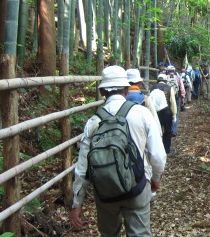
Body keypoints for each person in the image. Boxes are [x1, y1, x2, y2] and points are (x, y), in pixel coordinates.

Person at [70, 65, 167, 237]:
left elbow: (82, 168)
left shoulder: (93, 122)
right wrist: (156, 178)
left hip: (105, 191)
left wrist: (77, 203)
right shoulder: (142, 113)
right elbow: (158, 154)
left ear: (102, 92)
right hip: (137, 185)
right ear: (127, 89)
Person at [126, 68, 162, 137]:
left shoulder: (121, 99)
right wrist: (159, 134)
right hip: (141, 135)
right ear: (139, 84)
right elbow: (155, 120)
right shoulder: (145, 99)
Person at [150, 74, 177, 154]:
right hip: (167, 112)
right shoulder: (169, 88)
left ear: (157, 80)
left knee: (156, 131)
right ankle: (166, 150)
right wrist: (174, 114)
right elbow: (173, 102)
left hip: (155, 112)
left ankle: (157, 149)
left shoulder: (152, 88)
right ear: (165, 80)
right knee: (168, 131)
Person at [166, 64, 185, 136]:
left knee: (168, 112)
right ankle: (174, 131)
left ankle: (168, 129)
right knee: (176, 113)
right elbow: (182, 89)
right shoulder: (178, 78)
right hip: (177, 97)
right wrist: (182, 98)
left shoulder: (165, 78)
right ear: (174, 71)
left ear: (167, 71)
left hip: (167, 97)